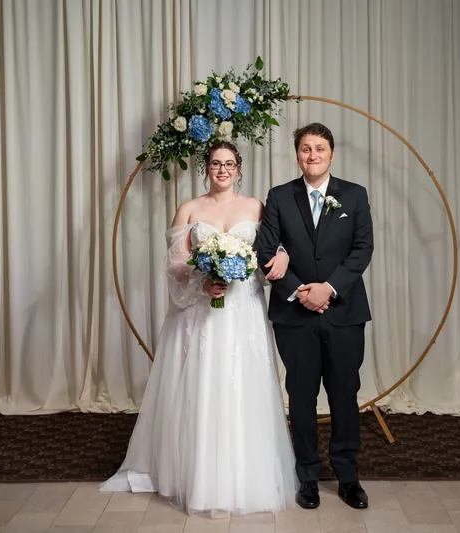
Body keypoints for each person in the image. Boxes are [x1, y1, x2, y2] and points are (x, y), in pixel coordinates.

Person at [100, 141, 299, 517]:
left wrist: (284, 256)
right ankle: (196, 475)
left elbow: (278, 247)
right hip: (200, 311)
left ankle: (245, 476)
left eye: (228, 163)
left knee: (243, 386)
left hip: (243, 311)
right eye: (214, 163)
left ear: (239, 168)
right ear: (205, 168)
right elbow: (175, 266)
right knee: (201, 384)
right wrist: (202, 283)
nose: (222, 170)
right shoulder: (190, 209)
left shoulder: (257, 206)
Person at [257, 123, 374, 510]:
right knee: (301, 398)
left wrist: (329, 288)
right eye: (305, 149)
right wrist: (299, 291)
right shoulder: (278, 196)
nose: (312, 155)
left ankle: (348, 476)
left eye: (319, 148)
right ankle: (306, 475)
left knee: (344, 395)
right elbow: (266, 250)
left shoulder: (354, 196)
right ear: (297, 154)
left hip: (343, 312)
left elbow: (362, 249)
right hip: (295, 314)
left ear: (332, 154)